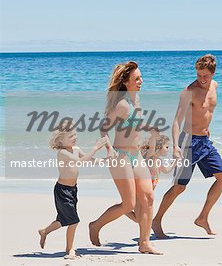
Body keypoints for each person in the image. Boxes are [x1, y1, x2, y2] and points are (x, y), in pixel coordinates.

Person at [153, 54, 222, 238]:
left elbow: (207, 112)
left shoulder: (215, 85)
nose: (202, 79)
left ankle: (202, 217)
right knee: (179, 187)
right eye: (198, 75)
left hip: (204, 141)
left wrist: (207, 128)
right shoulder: (189, 91)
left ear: (213, 73)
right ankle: (156, 220)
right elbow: (176, 122)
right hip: (188, 142)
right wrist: (175, 147)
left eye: (205, 75)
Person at [88, 61, 162, 254]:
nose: (141, 81)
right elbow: (103, 129)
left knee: (149, 197)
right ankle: (95, 225)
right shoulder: (121, 105)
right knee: (129, 204)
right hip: (120, 156)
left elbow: (137, 124)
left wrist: (150, 129)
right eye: (137, 78)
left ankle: (144, 243)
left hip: (136, 155)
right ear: (126, 82)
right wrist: (109, 149)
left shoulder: (136, 100)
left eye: (140, 77)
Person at [38, 122, 108, 259]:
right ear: (60, 140)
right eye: (70, 136)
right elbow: (80, 161)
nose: (74, 137)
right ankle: (69, 249)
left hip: (73, 190)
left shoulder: (76, 148)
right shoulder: (63, 152)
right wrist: (94, 148)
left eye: (75, 134)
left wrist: (105, 160)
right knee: (73, 221)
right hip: (62, 190)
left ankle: (44, 231)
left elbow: (89, 160)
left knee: (63, 220)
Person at [126, 133, 173, 223]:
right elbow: (152, 146)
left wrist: (176, 162)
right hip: (139, 191)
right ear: (158, 147)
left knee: (140, 218)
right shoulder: (150, 159)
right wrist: (153, 136)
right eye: (166, 147)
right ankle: (123, 208)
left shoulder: (159, 161)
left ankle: (125, 207)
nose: (168, 149)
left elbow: (167, 170)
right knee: (139, 219)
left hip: (148, 192)